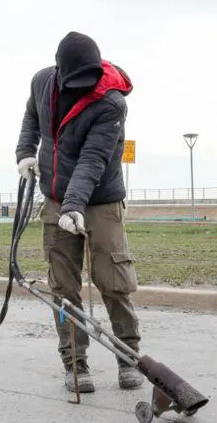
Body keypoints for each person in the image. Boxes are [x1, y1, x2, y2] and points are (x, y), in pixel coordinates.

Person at [15, 31, 143, 394]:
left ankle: (128, 357)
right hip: (56, 196)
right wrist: (25, 151)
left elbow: (93, 160)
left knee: (113, 282)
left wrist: (75, 205)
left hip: (101, 200)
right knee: (63, 288)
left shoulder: (111, 103)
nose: (84, 87)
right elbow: (31, 116)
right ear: (60, 72)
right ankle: (75, 362)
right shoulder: (42, 82)